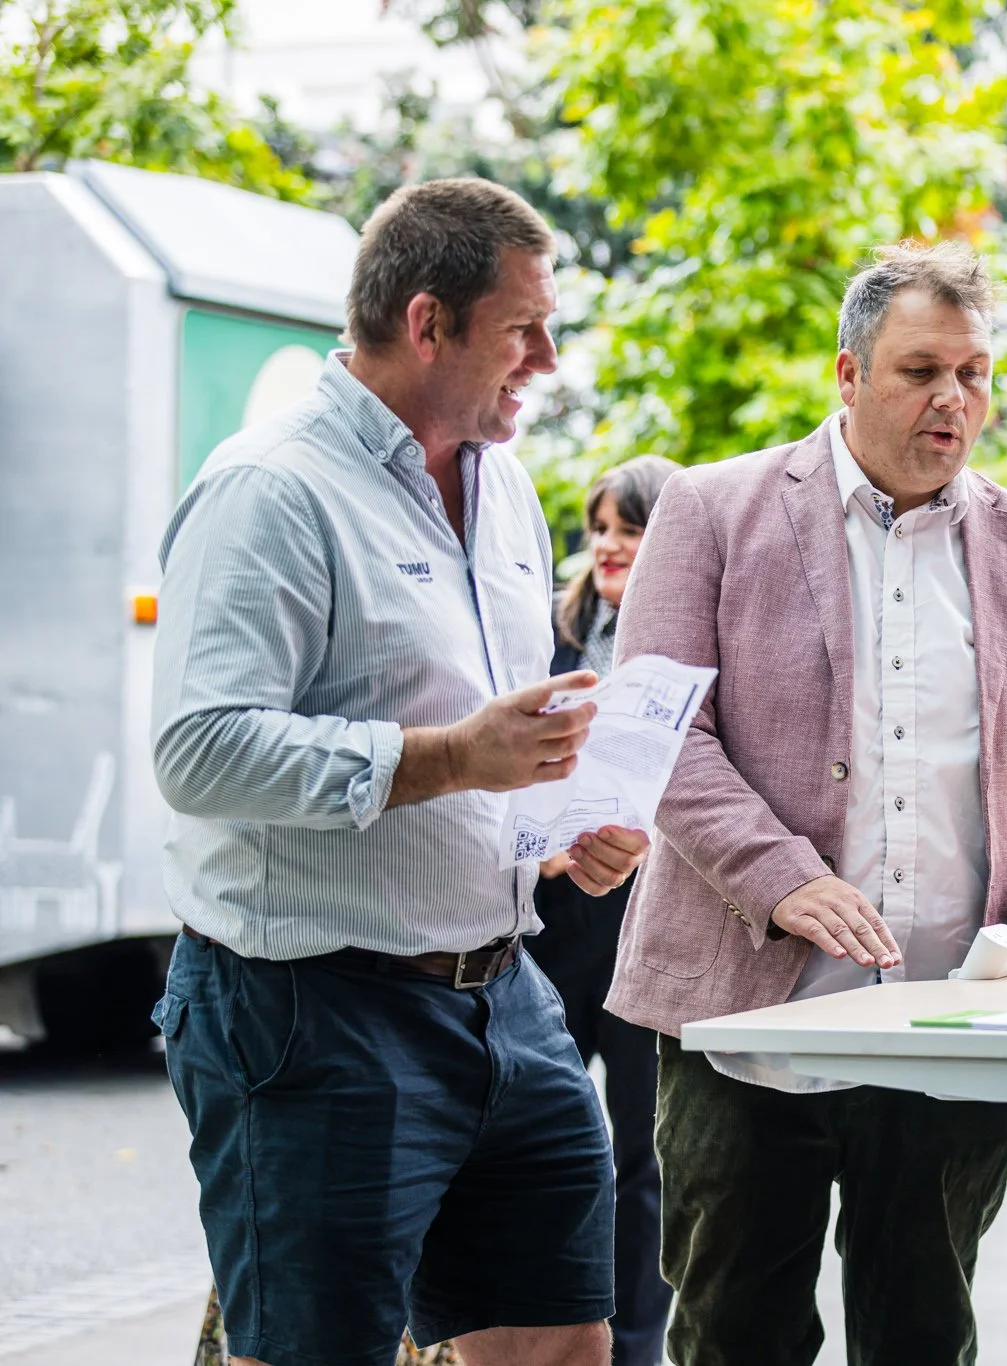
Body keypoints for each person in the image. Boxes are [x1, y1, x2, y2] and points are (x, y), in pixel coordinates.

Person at [604, 240, 1007, 1365]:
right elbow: (658, 737)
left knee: (923, 1339)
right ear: (847, 374)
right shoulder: (710, 510)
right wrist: (781, 878)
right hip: (747, 1026)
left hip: (952, 1019)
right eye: (920, 371)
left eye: (973, 373)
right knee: (733, 1340)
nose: (953, 399)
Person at [151, 178, 650, 1366]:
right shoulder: (272, 486)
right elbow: (199, 748)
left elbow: (493, 730)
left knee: (563, 1342)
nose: (548, 359)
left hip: (504, 993)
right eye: (523, 328)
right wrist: (454, 758)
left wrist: (557, 825)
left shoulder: (505, 485)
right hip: (309, 1007)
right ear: (427, 322)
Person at [526, 455, 683, 1366]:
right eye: (600, 530)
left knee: (642, 1155)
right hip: (548, 918)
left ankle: (634, 1348)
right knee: (531, 1142)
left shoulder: (690, 631)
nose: (611, 546)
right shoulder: (548, 626)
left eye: (631, 528)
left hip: (647, 920)